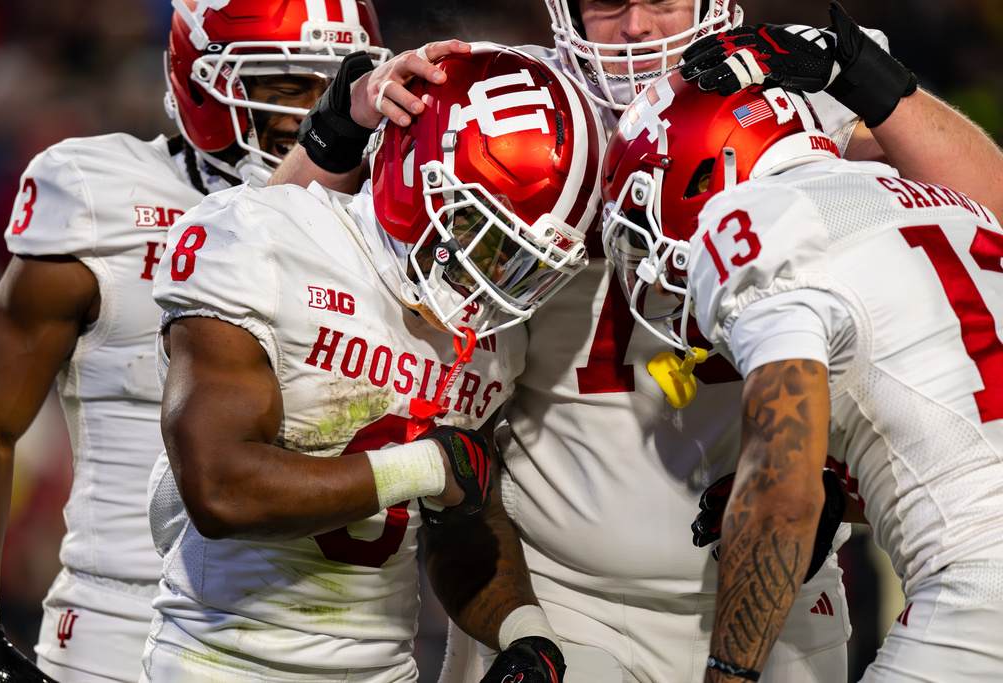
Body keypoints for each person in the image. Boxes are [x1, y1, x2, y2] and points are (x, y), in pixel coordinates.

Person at [273, 2, 1003, 681]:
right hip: (562, 595)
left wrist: (866, 78)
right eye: (607, 4)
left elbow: (984, 213)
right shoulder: (506, 98)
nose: (634, 29)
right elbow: (266, 246)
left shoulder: (789, 90)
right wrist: (343, 124)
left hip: (770, 589)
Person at [143, 44, 604, 682]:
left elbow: (457, 505)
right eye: (485, 233)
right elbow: (220, 489)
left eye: (522, 260)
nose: (496, 276)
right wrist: (423, 465)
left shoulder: (491, 333)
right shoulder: (264, 236)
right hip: (220, 664)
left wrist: (527, 635)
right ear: (416, 174)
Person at [0, 1, 392, 680]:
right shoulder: (99, 196)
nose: (318, 111)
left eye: (335, 82)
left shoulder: (388, 219)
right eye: (285, 84)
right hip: (118, 635)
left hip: (316, 645)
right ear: (201, 85)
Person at [600, 69, 1003, 683]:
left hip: (981, 596)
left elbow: (781, 499)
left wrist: (728, 675)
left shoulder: (757, 227)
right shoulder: (949, 200)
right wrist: (840, 498)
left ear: (710, 169)